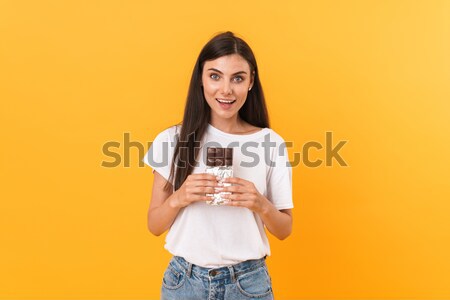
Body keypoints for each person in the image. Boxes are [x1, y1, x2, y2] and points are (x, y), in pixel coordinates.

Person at [143, 31, 293, 300]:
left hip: (248, 285)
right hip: (183, 283)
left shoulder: (271, 143)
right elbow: (154, 225)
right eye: (215, 76)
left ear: (251, 82)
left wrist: (260, 203)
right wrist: (180, 197)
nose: (226, 90)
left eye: (237, 78)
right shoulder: (171, 140)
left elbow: (284, 229)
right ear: (200, 79)